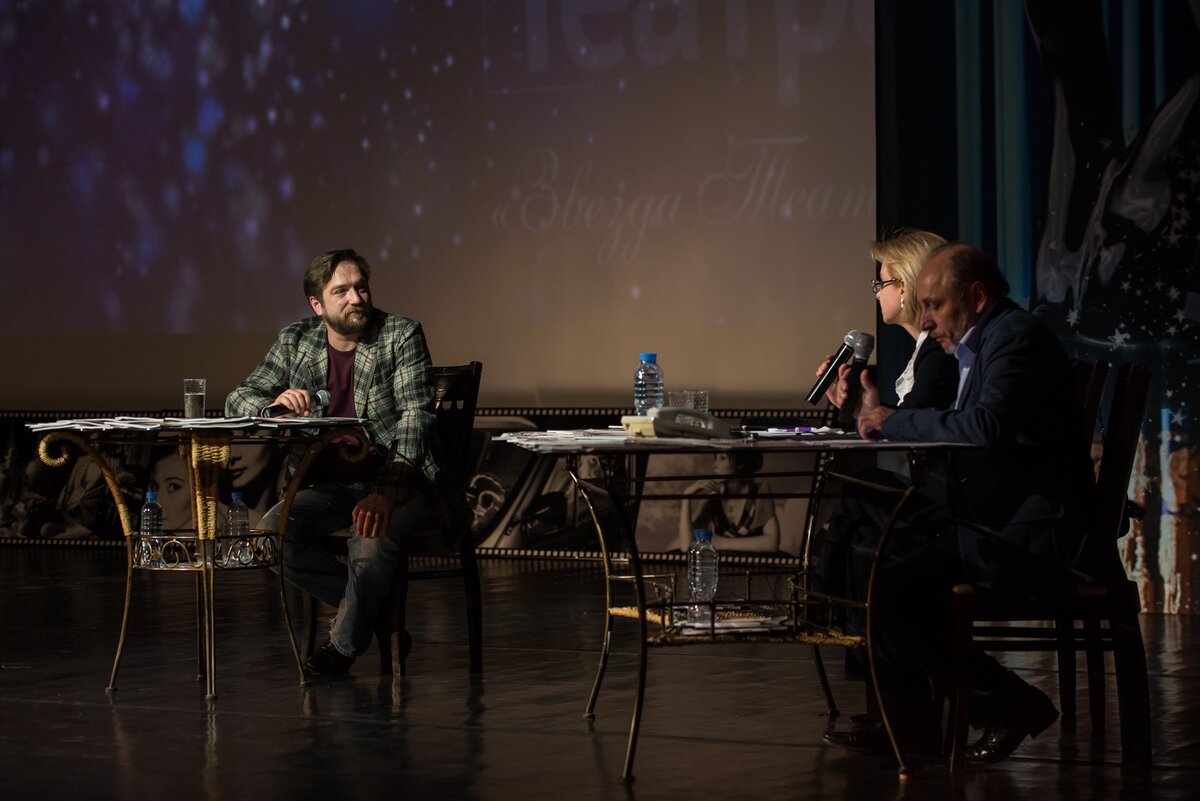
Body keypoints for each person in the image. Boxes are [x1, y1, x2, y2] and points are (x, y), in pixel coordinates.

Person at [843, 243, 1096, 763]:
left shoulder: (1015, 339)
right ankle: (908, 728)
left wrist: (894, 422)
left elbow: (984, 427)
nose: (925, 321)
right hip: (994, 518)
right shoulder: (985, 342)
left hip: (1028, 536)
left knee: (886, 584)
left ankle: (1007, 704)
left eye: (935, 306)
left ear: (977, 297)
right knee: (872, 553)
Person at [226, 248, 460, 675]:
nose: (356, 298)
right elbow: (237, 400)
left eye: (361, 287)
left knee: (370, 536)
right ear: (317, 305)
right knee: (270, 538)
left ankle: (343, 646)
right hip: (327, 486)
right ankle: (380, 617)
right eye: (342, 291)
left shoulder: (399, 334)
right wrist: (274, 405)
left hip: (403, 480)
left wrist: (386, 494)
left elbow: (416, 418)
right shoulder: (296, 340)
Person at [816, 229, 958, 412]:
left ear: (903, 287)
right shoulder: (926, 348)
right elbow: (913, 418)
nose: (878, 294)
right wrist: (863, 409)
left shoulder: (938, 350)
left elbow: (916, 423)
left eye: (882, 283)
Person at [678, 452, 780, 553]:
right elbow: (686, 546)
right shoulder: (713, 499)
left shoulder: (758, 492)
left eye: (722, 458)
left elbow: (772, 543)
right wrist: (686, 496)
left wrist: (722, 543)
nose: (714, 466)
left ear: (740, 463)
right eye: (715, 459)